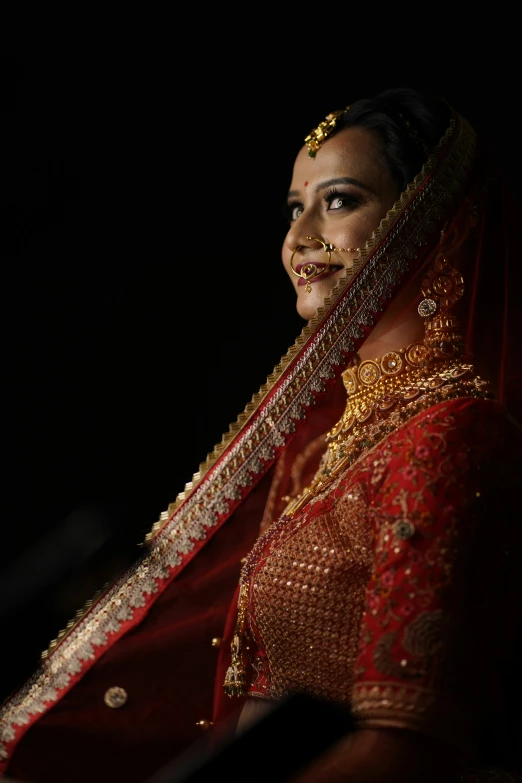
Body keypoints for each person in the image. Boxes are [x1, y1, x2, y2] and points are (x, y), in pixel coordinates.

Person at [0, 87, 521, 783]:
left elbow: (410, 745)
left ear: (431, 222)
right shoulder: (323, 449)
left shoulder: (447, 435)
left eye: (338, 200)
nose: (299, 238)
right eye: (293, 208)